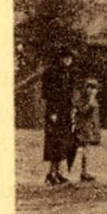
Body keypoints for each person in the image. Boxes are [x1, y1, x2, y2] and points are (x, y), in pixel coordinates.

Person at [41, 47, 78, 185]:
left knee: (63, 142)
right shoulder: (52, 73)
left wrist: (72, 108)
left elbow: (70, 93)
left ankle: (58, 172)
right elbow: (49, 95)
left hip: (65, 112)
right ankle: (51, 172)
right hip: (55, 111)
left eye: (70, 58)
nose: (68, 60)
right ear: (60, 58)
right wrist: (53, 112)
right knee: (53, 142)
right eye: (65, 57)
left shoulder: (69, 73)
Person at [71, 76, 102, 183]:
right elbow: (82, 111)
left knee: (86, 149)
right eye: (90, 88)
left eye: (94, 88)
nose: (92, 90)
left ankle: (84, 171)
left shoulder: (94, 100)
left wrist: (96, 130)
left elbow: (96, 117)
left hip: (89, 127)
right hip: (82, 127)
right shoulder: (83, 100)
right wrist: (90, 103)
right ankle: (83, 172)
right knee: (82, 149)